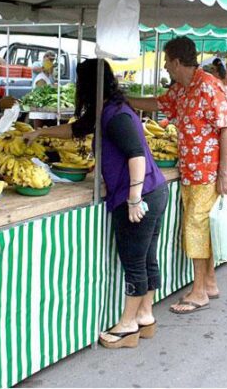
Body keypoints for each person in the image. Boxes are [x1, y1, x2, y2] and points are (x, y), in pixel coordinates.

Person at [23, 59, 169, 348]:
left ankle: (127, 326)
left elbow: (136, 155)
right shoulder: (108, 109)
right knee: (147, 256)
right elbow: (78, 128)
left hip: (139, 194)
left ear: (88, 85)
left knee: (134, 260)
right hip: (155, 189)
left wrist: (133, 198)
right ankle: (144, 316)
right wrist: (40, 132)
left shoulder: (115, 116)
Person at [127, 36, 227, 314]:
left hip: (206, 172)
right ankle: (209, 282)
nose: (164, 67)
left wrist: (225, 172)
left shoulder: (210, 87)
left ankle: (199, 292)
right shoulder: (182, 89)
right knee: (201, 227)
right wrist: (125, 99)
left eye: (166, 61)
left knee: (196, 228)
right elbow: (159, 104)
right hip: (190, 169)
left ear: (177, 61)